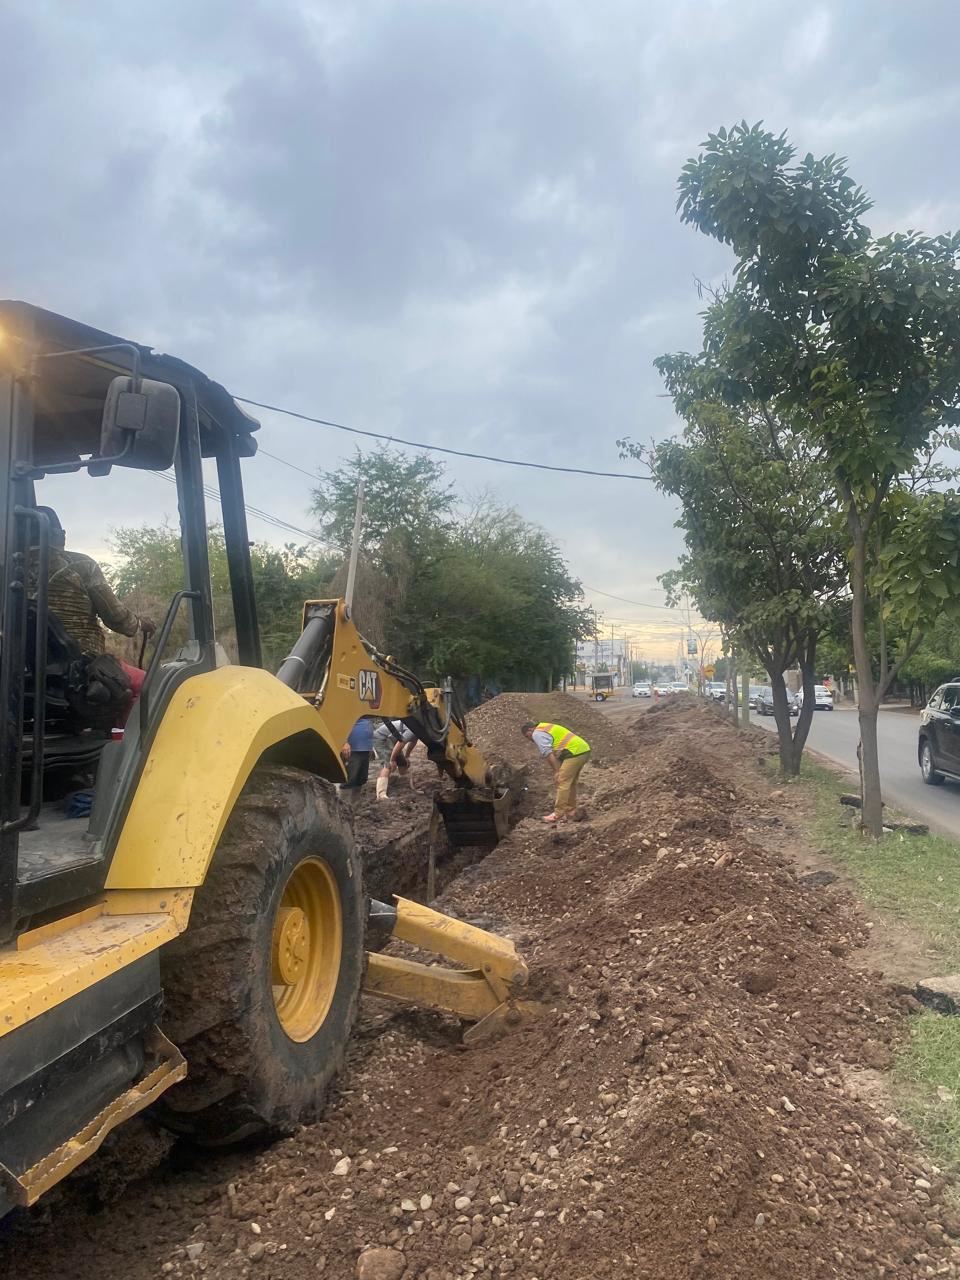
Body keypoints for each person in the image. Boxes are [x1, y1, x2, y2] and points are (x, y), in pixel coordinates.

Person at [521, 720, 591, 824]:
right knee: (570, 782)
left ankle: (558, 814)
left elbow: (548, 754)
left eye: (528, 736)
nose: (530, 739)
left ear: (530, 730)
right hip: (583, 750)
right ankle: (570, 810)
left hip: (574, 753)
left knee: (562, 781)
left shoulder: (537, 733)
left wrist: (557, 771)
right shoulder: (546, 727)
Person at [372, 719, 419, 800]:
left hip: (393, 740)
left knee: (403, 763)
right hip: (382, 738)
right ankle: (381, 795)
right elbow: (401, 743)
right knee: (388, 765)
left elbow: (412, 742)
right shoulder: (413, 728)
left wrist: (407, 756)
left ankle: (403, 784)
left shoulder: (420, 731)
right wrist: (392, 760)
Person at [339, 717, 374, 805]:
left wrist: (370, 747)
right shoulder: (347, 710)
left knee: (361, 779)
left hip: (365, 750)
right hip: (352, 750)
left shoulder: (365, 712)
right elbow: (338, 725)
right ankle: (343, 807)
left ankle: (354, 806)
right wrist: (344, 742)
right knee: (349, 780)